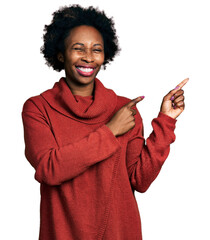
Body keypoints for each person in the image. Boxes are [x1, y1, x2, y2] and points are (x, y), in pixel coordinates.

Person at [22, 4, 188, 240]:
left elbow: (139, 180)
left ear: (105, 54)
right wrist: (110, 131)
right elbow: (49, 169)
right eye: (78, 49)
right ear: (60, 53)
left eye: (96, 49)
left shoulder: (125, 109)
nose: (88, 57)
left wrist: (166, 122)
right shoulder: (38, 107)